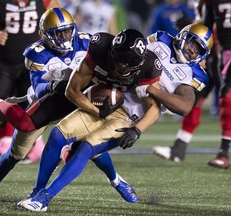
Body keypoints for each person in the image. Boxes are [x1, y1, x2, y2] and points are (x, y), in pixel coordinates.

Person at [18, 23, 213, 212]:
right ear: (182, 36)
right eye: (191, 42)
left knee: (86, 148)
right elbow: (130, 52)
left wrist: (151, 95)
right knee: (57, 136)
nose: (191, 50)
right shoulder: (160, 39)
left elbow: (184, 107)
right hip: (110, 98)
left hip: (132, 116)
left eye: (198, 49)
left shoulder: (193, 74)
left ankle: (44, 198)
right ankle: (37, 191)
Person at [0, 8, 138, 204]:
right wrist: (56, 83)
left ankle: (116, 181)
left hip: (81, 99)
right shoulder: (36, 53)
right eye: (59, 33)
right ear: (45, 34)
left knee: (92, 147)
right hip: (51, 99)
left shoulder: (87, 42)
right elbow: (39, 87)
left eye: (68, 31)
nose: (65, 37)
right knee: (17, 152)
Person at [0, 0, 60, 172]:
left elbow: (60, 19)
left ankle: (23, 148)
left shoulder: (44, 1)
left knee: (31, 110)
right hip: (3, 63)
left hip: (33, 64)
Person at [152, 0, 221, 163]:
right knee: (194, 102)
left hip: (224, 56)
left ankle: (224, 151)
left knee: (227, 101)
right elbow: (207, 26)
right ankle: (179, 148)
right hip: (213, 56)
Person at [199, 0, 231, 169]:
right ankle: (223, 153)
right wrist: (203, 54)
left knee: (227, 97)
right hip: (225, 53)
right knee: (226, 98)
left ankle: (224, 153)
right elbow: (207, 27)